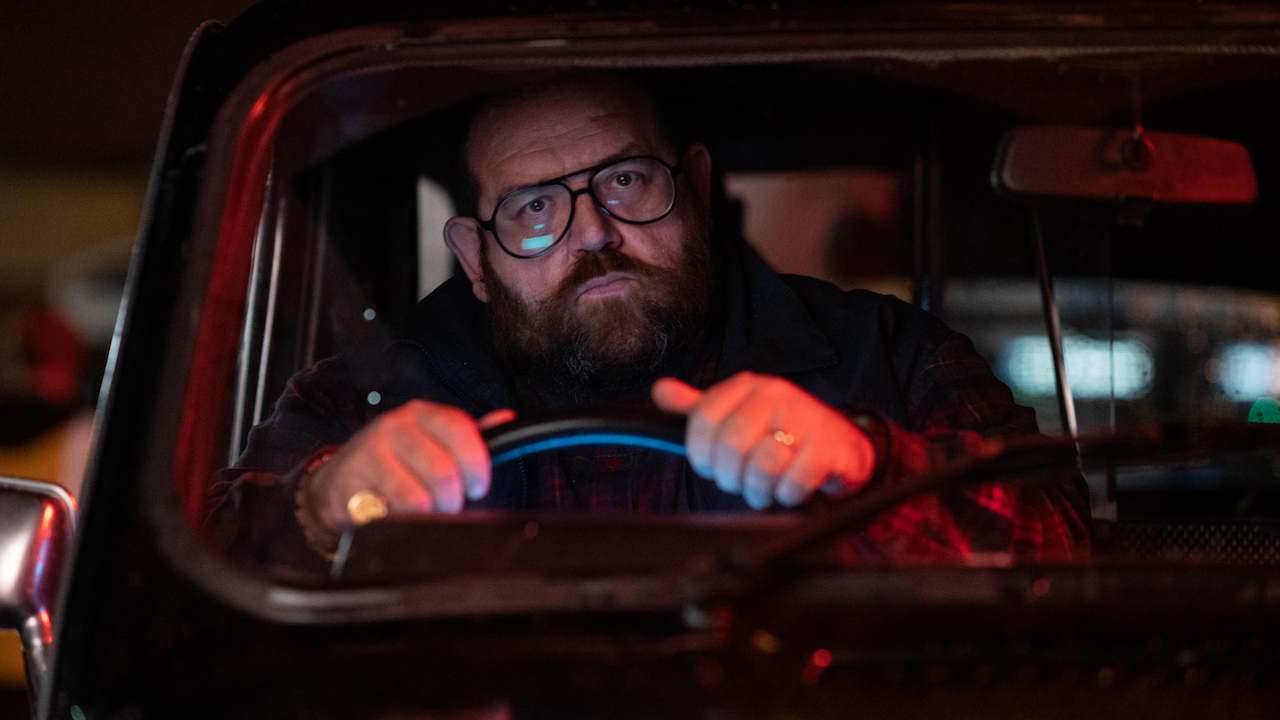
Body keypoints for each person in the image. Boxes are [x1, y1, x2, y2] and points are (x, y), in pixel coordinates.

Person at [210, 74, 1089, 569]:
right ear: (476, 259)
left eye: (626, 180)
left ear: (697, 192)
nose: (593, 231)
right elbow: (196, 575)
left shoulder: (887, 357)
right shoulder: (364, 393)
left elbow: (1063, 550)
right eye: (534, 207)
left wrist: (868, 469)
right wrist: (325, 506)